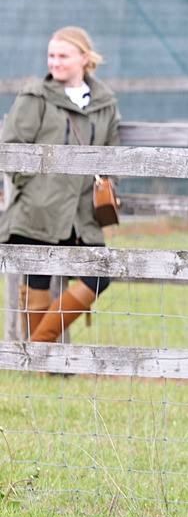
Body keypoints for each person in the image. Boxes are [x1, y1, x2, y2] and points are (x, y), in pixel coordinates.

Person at [0, 26, 120, 343]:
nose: (55, 62)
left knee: (98, 277)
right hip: (37, 210)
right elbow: (11, 148)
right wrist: (37, 186)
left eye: (63, 56)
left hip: (83, 215)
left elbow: (114, 156)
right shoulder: (35, 97)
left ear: (84, 58)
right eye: (51, 55)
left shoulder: (105, 103)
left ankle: (38, 346)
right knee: (38, 281)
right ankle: (46, 362)